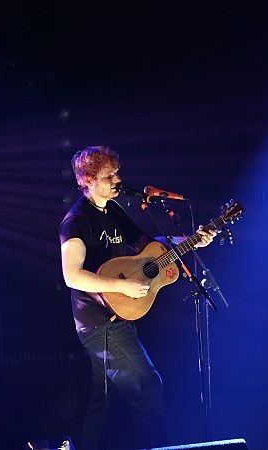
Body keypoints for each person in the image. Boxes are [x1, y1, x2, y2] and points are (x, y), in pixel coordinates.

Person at [59, 145, 216, 449]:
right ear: (88, 180)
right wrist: (122, 287)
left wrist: (193, 241)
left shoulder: (113, 211)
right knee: (147, 387)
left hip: (116, 317)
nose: (117, 179)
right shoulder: (76, 220)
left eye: (117, 172)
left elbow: (149, 246)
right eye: (109, 175)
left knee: (100, 403)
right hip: (98, 323)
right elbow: (71, 276)